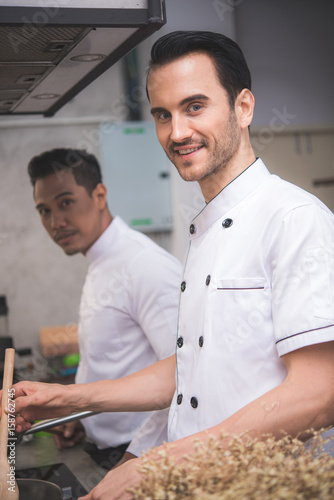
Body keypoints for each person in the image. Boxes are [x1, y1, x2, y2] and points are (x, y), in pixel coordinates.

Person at [4, 30, 334, 500]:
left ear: (243, 108)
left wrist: (158, 461)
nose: (176, 132)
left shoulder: (294, 219)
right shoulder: (205, 232)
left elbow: (320, 394)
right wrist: (68, 399)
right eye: (163, 114)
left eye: (194, 106)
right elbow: (193, 366)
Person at [25, 148, 182, 468]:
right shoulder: (101, 260)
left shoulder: (144, 265)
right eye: (44, 210)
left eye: (66, 202)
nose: (56, 221)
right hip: (107, 448)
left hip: (145, 455)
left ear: (99, 195)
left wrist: (133, 460)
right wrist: (84, 419)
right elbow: (115, 363)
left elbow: (187, 378)